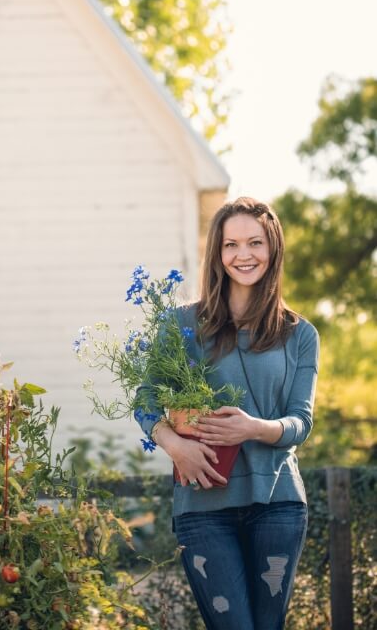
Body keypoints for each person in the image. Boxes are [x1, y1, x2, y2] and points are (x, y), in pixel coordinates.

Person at [135, 197, 319, 630]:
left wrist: (254, 428)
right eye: (231, 244)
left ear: (272, 250)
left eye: (255, 243)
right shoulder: (181, 325)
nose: (243, 255)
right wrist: (175, 444)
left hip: (278, 504)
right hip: (203, 505)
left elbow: (300, 422)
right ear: (217, 253)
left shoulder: (300, 334)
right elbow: (146, 399)